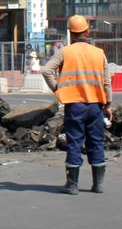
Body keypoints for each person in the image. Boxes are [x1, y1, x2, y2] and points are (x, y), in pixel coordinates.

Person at [41, 15, 112, 195]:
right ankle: (99, 185)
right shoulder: (99, 53)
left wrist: (57, 89)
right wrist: (108, 104)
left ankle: (72, 185)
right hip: (95, 105)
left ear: (71, 33)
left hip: (74, 105)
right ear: (87, 31)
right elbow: (106, 82)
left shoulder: (65, 52)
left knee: (74, 142)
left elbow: (46, 70)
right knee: (96, 142)